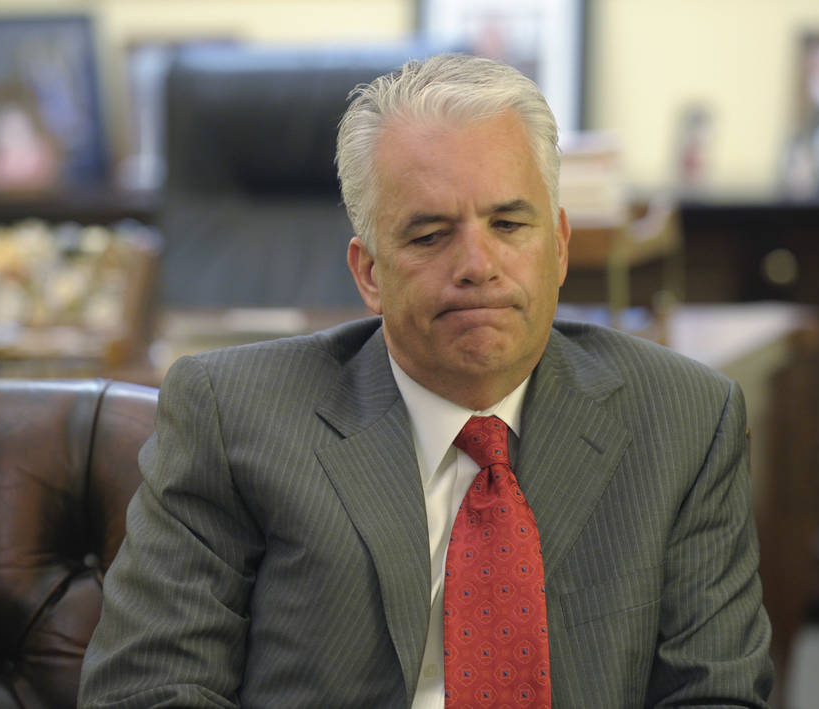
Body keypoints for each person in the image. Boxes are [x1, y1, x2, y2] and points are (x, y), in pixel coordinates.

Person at [79, 53, 773, 708]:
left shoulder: (684, 421)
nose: (478, 263)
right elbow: (149, 689)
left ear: (559, 246)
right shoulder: (232, 416)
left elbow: (716, 691)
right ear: (370, 273)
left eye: (508, 223)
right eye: (430, 234)